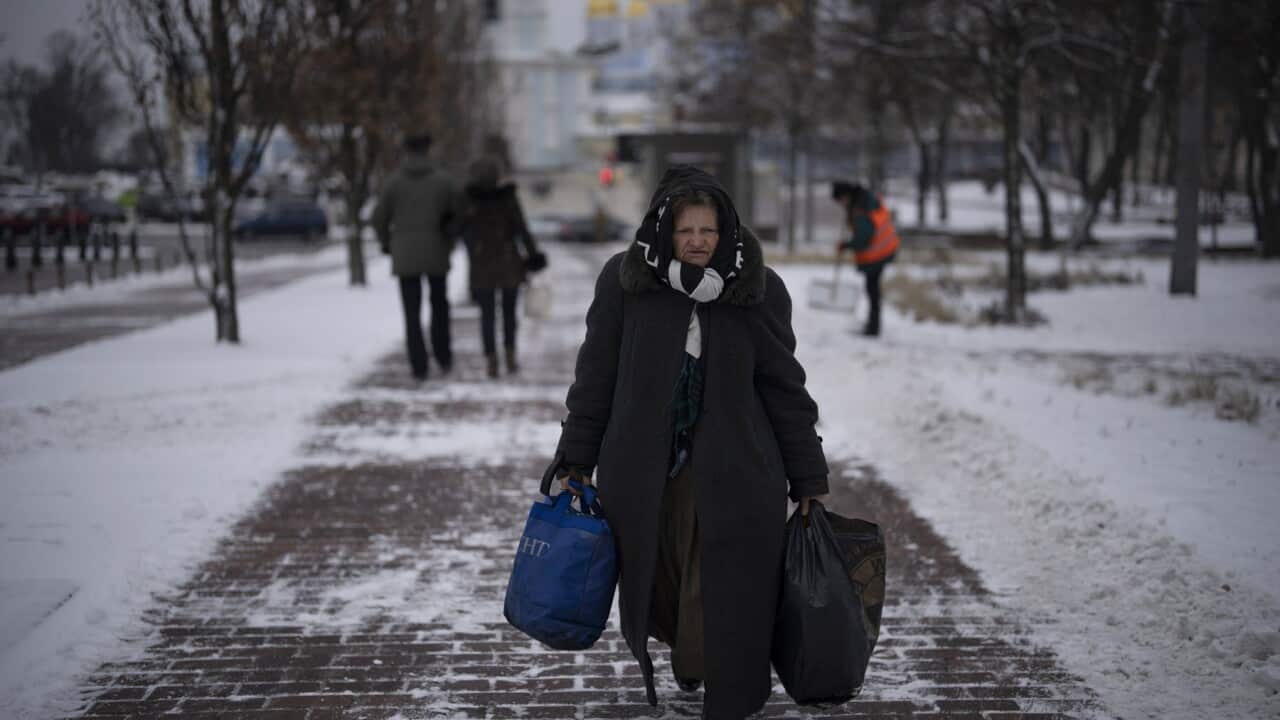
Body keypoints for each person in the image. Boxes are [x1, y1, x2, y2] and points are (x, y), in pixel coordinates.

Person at [550, 165, 829, 719]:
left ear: (726, 231)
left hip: (741, 470)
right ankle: (689, 651)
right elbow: (596, 378)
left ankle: (722, 675)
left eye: (709, 231)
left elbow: (784, 388)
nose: (698, 242)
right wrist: (576, 458)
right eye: (686, 231)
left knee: (724, 583)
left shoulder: (758, 289)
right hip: (647, 470)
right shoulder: (627, 282)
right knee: (662, 575)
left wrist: (810, 478)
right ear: (664, 232)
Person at [373, 133, 463, 380]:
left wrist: (386, 243)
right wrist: (450, 238)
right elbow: (460, 213)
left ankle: (418, 365)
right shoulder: (444, 181)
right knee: (439, 307)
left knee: (411, 313)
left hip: (405, 256)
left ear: (407, 151)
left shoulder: (393, 183)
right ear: (428, 150)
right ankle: (443, 357)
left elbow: (379, 217)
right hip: (436, 252)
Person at [460, 156, 545, 378]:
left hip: (482, 265)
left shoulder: (470, 201)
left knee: (487, 315)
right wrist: (533, 255)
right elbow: (521, 229)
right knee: (509, 313)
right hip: (509, 263)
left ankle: (491, 359)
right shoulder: (507, 198)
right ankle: (510, 354)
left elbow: (459, 230)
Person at [831, 181, 900, 337]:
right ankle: (872, 325)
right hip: (883, 250)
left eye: (840, 200)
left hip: (878, 254)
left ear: (846, 196)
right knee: (872, 290)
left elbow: (863, 238)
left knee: (873, 290)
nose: (841, 204)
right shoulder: (864, 202)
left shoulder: (861, 210)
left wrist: (846, 245)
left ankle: (873, 328)